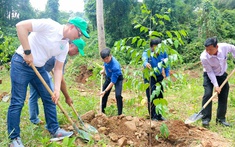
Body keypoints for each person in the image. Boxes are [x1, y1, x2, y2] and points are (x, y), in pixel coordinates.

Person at [8, 17, 90, 147]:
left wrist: (57, 90)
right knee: (18, 101)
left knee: (51, 97)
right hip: (21, 63)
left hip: (39, 68)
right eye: (79, 34)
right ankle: (14, 139)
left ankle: (54, 129)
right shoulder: (50, 25)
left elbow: (58, 69)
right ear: (72, 27)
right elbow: (20, 26)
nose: (79, 37)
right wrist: (27, 52)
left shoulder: (64, 45)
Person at [29, 39, 86, 125]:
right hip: (37, 70)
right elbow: (61, 80)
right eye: (77, 50)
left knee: (34, 95)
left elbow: (54, 67)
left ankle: (34, 119)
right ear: (71, 45)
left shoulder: (59, 47)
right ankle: (53, 125)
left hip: (32, 68)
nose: (77, 54)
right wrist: (67, 97)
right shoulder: (62, 52)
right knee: (52, 96)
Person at [200, 37, 234, 128]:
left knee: (223, 96)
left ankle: (221, 119)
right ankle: (205, 119)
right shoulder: (204, 57)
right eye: (206, 49)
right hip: (209, 75)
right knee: (207, 94)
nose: (208, 51)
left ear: (217, 47)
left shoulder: (225, 47)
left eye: (210, 49)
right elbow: (210, 72)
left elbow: (233, 49)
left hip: (222, 74)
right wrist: (216, 85)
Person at [142, 38, 170, 121]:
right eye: (155, 47)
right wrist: (146, 64)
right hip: (149, 76)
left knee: (159, 95)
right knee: (151, 95)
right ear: (151, 47)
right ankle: (153, 115)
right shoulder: (147, 52)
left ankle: (159, 115)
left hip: (159, 76)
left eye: (159, 46)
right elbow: (144, 59)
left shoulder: (163, 52)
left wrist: (167, 75)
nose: (157, 48)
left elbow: (167, 64)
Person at [99, 48, 124, 115]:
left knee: (118, 95)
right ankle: (102, 113)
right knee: (103, 95)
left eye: (107, 58)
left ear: (110, 56)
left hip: (118, 78)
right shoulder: (106, 61)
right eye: (104, 59)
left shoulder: (115, 66)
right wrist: (103, 71)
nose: (106, 60)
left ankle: (120, 114)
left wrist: (105, 91)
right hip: (109, 77)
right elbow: (105, 65)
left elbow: (112, 82)